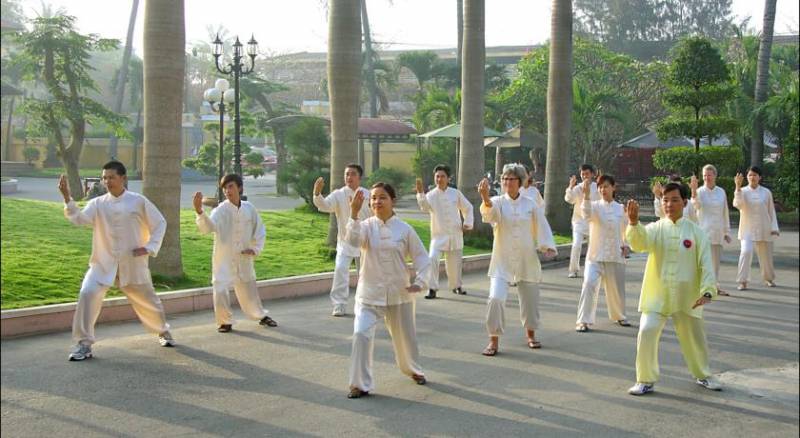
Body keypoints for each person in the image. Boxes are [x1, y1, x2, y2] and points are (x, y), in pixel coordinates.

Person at [58, 160, 175, 362]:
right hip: (102, 264)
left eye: (111, 177)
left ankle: (163, 331)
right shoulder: (97, 203)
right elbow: (79, 219)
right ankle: (83, 344)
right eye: (104, 178)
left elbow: (160, 223)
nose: (107, 181)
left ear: (123, 178)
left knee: (148, 301)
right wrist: (67, 198)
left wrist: (149, 247)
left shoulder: (138, 201)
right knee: (87, 293)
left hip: (133, 263)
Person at [625, 182, 721, 396]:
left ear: (685, 203)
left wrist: (707, 290)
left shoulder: (696, 233)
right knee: (646, 330)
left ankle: (703, 375)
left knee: (694, 338)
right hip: (657, 294)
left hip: (687, 297)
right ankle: (645, 379)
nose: (669, 204)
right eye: (665, 200)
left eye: (674, 200)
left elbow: (706, 263)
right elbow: (639, 244)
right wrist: (633, 223)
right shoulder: (656, 228)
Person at [345, 182, 431, 399]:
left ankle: (413, 370)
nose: (376, 202)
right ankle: (359, 384)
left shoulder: (405, 229)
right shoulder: (364, 226)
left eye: (382, 197)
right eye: (373, 198)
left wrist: (420, 282)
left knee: (405, 338)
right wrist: (353, 215)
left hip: (399, 292)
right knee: (360, 333)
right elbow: (353, 243)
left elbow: (422, 258)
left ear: (392, 200)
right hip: (369, 293)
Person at [478, 164, 557, 356]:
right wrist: (485, 198)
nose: (507, 182)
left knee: (530, 300)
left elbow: (541, 226)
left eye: (511, 179)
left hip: (526, 259)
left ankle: (531, 334)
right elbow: (489, 216)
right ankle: (493, 340)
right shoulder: (497, 202)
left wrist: (547, 246)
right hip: (501, 260)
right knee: (495, 298)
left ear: (520, 181)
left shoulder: (530, 204)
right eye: (504, 178)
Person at [193, 174, 277, 333]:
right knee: (220, 287)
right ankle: (224, 321)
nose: (227, 190)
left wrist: (255, 248)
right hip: (224, 258)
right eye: (224, 188)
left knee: (249, 287)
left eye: (230, 186)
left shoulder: (249, 208)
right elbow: (208, 227)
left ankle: (260, 316)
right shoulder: (221, 210)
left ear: (239, 188)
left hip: (244, 257)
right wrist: (199, 211)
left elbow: (259, 230)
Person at [313, 164, 372, 316]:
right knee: (340, 269)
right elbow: (325, 205)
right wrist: (317, 193)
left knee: (365, 274)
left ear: (359, 177)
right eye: (347, 174)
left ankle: (366, 302)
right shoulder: (338, 194)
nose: (349, 177)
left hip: (364, 242)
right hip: (345, 242)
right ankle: (339, 304)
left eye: (352, 174)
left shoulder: (368, 194)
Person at [575, 174, 630, 332]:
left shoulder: (621, 208)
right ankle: (583, 320)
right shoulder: (594, 206)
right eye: (600, 186)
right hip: (596, 254)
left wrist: (626, 245)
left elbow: (626, 230)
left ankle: (619, 315)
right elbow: (585, 214)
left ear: (614, 187)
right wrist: (585, 196)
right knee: (589, 283)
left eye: (606, 186)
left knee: (616, 289)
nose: (603, 189)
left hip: (615, 254)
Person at [415, 164, 474, 299]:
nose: (439, 179)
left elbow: (468, 207)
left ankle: (456, 286)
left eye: (442, 176)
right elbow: (424, 208)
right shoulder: (431, 195)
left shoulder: (456, 193)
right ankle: (432, 288)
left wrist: (467, 223)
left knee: (455, 264)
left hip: (455, 234)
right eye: (437, 176)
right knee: (432, 259)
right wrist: (420, 193)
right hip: (438, 235)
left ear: (448, 178)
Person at [733, 166, 779, 290]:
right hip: (747, 228)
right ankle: (743, 281)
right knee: (746, 251)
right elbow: (737, 205)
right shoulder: (742, 191)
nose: (752, 177)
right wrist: (737, 187)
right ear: (747, 177)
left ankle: (768, 278)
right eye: (750, 175)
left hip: (764, 227)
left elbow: (771, 211)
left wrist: (774, 227)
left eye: (755, 175)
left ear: (760, 177)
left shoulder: (766, 192)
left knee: (766, 255)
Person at [690, 166, 732, 296]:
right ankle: (702, 288)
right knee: (703, 262)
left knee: (715, 263)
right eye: (704, 176)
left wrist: (726, 232)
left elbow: (725, 212)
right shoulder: (700, 191)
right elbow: (696, 206)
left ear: (715, 176)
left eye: (709, 175)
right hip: (704, 231)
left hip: (718, 231)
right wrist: (693, 191)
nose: (706, 178)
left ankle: (714, 286)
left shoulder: (721, 192)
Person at [564, 164, 600, 278]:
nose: (585, 176)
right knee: (576, 244)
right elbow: (569, 199)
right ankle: (573, 269)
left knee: (593, 246)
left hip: (592, 222)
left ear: (592, 174)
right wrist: (570, 186)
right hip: (578, 221)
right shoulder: (577, 188)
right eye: (582, 174)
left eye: (587, 174)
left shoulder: (597, 187)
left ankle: (593, 269)